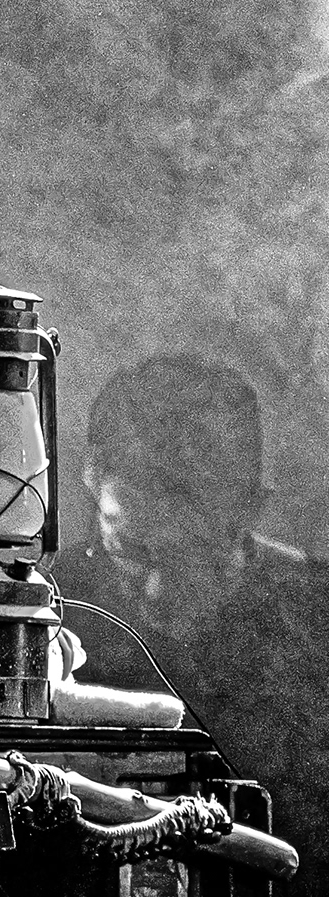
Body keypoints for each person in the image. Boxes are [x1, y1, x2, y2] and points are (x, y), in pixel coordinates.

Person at [61, 353, 327, 890]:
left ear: (255, 504)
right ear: (92, 480)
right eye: (131, 552)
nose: (159, 593)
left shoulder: (317, 620)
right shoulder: (41, 614)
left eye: (199, 556)